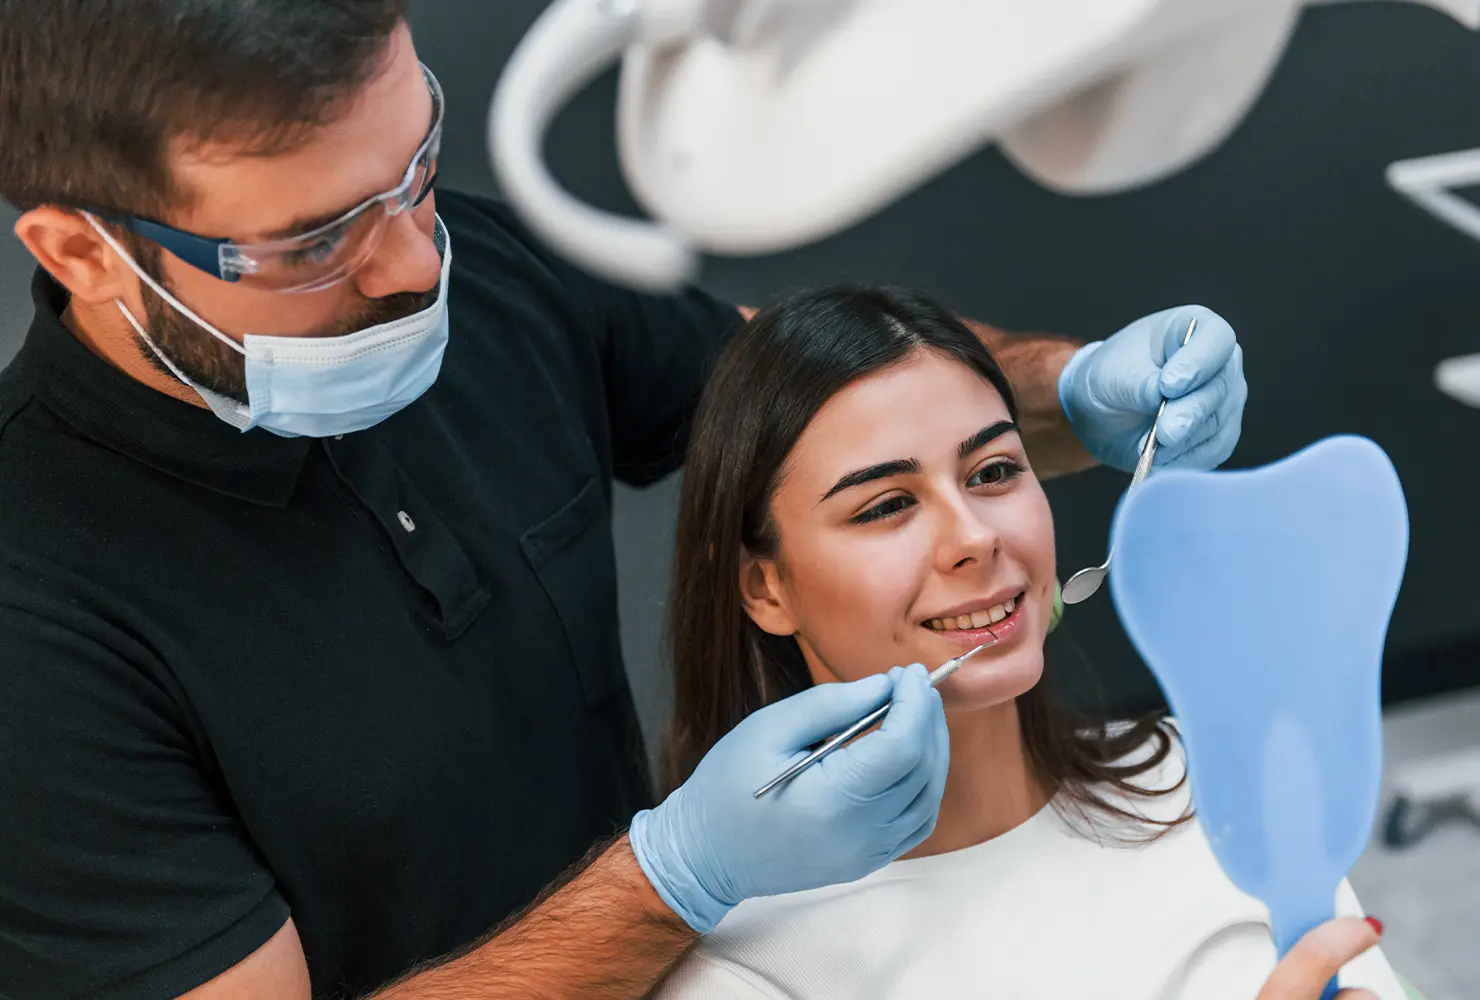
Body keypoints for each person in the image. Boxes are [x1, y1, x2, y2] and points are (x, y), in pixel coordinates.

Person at [0, 4, 1247, 999]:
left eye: (416, 165)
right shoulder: (39, 616)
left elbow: (827, 407)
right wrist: (675, 877)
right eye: (314, 244)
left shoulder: (478, 269)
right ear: (80, 250)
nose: (417, 261)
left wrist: (1065, 388)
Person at [648, 286, 1401, 1000]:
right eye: (886, 506)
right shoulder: (744, 973)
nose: (975, 536)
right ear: (763, 588)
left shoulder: (1212, 780)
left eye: (995, 470)